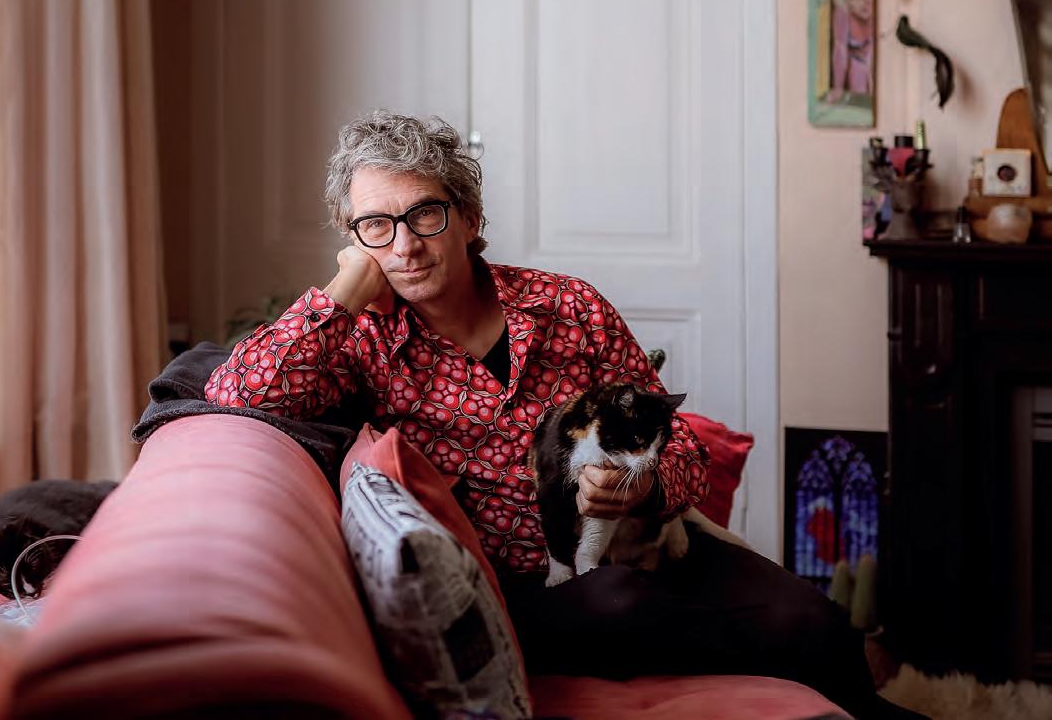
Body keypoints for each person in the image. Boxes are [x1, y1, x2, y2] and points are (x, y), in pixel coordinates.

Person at [205, 111, 922, 719]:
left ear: (468, 218)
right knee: (618, 603)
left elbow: (680, 447)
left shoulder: (568, 306)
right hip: (528, 589)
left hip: (646, 548)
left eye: (424, 214)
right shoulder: (358, 341)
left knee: (814, 620)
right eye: (375, 225)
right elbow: (234, 394)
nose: (404, 244)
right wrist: (341, 291)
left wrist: (644, 488)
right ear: (352, 237)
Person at [826, 0, 874, 104]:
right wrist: (838, 88)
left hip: (878, 60)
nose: (862, 2)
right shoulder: (842, 12)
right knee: (860, 99)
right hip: (857, 62)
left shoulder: (883, 7)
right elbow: (840, 50)